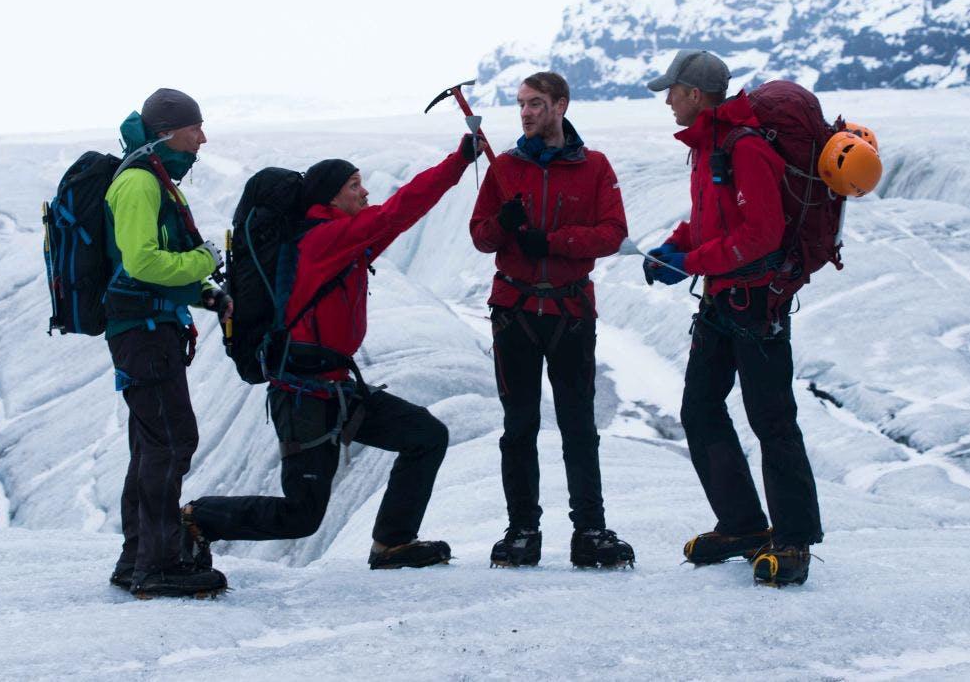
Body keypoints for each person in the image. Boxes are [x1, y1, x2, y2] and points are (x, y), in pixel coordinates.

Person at [181, 135, 482, 570]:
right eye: (354, 185)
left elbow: (396, 221)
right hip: (303, 396)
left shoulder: (341, 242)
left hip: (334, 386)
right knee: (301, 514)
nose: (364, 192)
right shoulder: (323, 241)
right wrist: (457, 163)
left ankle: (393, 544)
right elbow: (397, 210)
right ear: (330, 197)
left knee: (426, 435)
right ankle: (195, 519)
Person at [643, 50, 823, 586]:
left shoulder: (743, 147)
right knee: (699, 409)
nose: (667, 99)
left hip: (756, 303)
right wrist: (674, 246)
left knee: (771, 421)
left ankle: (793, 541)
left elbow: (761, 234)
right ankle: (744, 525)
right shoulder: (709, 145)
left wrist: (691, 262)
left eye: (672, 91)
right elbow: (712, 219)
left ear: (695, 94)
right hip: (723, 301)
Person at [469, 71, 633, 569]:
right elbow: (481, 235)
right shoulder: (506, 170)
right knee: (519, 425)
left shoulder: (595, 167)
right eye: (521, 104)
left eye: (536, 104)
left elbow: (613, 233)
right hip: (515, 311)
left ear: (561, 105)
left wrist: (554, 242)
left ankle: (590, 531)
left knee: (578, 424)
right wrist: (506, 225)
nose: (526, 113)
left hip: (569, 311)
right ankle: (522, 530)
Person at [104, 88, 233, 598]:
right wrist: (203, 261)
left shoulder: (153, 177)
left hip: (151, 327)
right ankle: (157, 566)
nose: (202, 137)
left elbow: (153, 265)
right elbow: (142, 263)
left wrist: (204, 295)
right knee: (171, 441)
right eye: (194, 128)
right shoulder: (139, 182)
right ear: (167, 132)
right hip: (143, 332)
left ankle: (137, 556)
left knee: (152, 443)